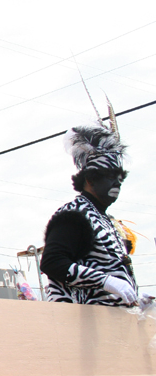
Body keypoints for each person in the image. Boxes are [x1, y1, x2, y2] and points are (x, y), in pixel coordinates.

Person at [41, 123, 151, 306]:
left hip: (111, 324)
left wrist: (133, 299)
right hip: (83, 325)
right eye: (110, 176)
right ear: (90, 178)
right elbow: (52, 262)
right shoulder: (75, 214)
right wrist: (106, 281)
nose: (118, 183)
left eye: (120, 178)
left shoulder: (108, 221)